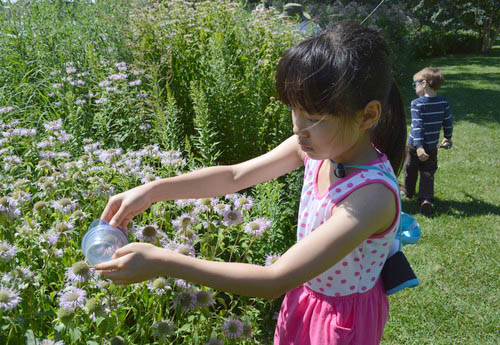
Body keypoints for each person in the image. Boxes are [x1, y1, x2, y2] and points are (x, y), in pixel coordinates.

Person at [94, 22, 407, 345]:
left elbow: (274, 279)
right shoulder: (319, 148)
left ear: (368, 116)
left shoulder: (371, 197)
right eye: (294, 112)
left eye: (314, 118)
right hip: (304, 297)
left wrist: (162, 261)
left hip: (340, 322)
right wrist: (152, 190)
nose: (299, 129)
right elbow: (235, 176)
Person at [401, 67, 453, 215]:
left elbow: (417, 126)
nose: (414, 87)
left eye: (414, 84)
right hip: (431, 146)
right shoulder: (443, 103)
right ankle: (426, 200)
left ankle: (409, 192)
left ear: (424, 84)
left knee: (410, 169)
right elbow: (448, 122)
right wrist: (448, 136)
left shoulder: (417, 103)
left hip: (414, 146)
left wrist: (418, 147)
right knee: (428, 173)